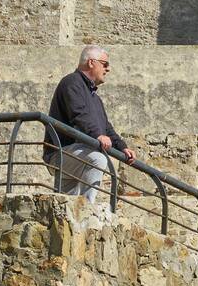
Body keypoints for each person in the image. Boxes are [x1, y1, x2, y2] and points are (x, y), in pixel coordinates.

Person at [43, 45, 137, 203]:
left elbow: (106, 128)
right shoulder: (71, 83)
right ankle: (88, 209)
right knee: (98, 159)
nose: (108, 69)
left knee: (65, 203)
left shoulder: (94, 98)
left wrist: (122, 147)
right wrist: (97, 135)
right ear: (91, 62)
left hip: (75, 154)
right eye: (105, 64)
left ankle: (68, 220)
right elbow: (78, 114)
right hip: (61, 153)